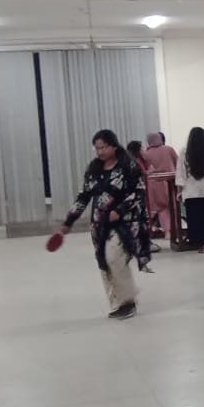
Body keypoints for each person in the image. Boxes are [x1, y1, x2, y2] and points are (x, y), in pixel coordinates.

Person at [58, 129, 151, 320]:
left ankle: (128, 301)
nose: (100, 152)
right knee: (105, 263)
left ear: (114, 146)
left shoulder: (129, 166)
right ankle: (119, 302)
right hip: (100, 224)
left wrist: (120, 210)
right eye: (97, 148)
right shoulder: (94, 169)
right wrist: (69, 221)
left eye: (103, 147)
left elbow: (139, 192)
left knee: (114, 257)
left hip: (127, 222)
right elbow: (84, 196)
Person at [142, 132, 179, 239]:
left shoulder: (146, 153)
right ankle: (176, 230)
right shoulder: (169, 150)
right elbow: (178, 163)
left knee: (161, 209)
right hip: (170, 181)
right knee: (173, 207)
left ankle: (167, 232)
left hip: (154, 184)